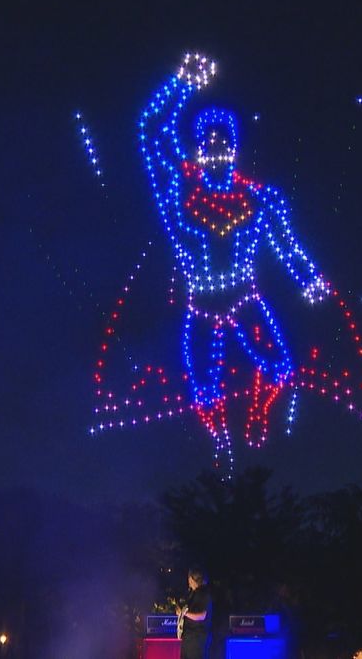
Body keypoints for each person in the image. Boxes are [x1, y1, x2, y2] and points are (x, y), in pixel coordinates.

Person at [139, 53, 331, 468]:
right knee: (205, 389)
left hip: (245, 297)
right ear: (198, 147)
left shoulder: (259, 198)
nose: (216, 148)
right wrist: (181, 84)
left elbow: (287, 243)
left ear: (235, 147)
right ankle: (222, 444)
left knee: (280, 369)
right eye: (208, 142)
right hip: (201, 304)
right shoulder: (180, 190)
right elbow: (152, 132)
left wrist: (308, 278)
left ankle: (258, 419)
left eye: (224, 141)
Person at [178, 568, 213, 659]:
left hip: (197, 638)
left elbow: (202, 615)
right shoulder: (192, 593)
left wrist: (184, 613)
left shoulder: (203, 593)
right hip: (189, 637)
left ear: (191, 579)